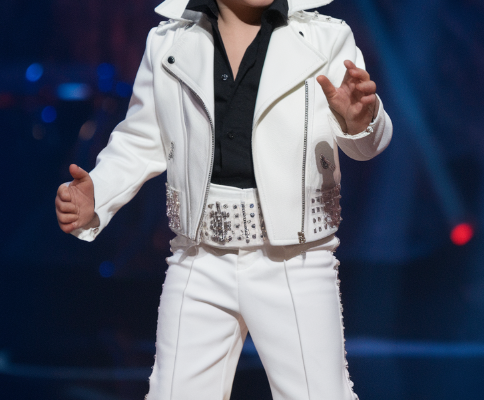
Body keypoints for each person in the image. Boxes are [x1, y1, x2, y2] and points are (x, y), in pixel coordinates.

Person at [55, 0, 392, 398]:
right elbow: (141, 138)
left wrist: (360, 121)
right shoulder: (167, 42)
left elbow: (366, 144)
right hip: (197, 257)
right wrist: (97, 192)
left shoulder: (326, 37)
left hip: (295, 259)